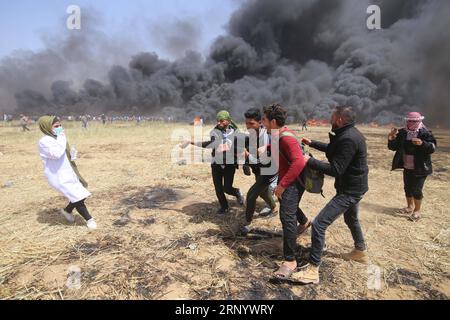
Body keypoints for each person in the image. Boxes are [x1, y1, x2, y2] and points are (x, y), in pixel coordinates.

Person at [293, 106, 369, 285]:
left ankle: (313, 270)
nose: (330, 119)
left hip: (350, 190)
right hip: (354, 187)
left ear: (340, 119)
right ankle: (360, 251)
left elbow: (336, 169)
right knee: (351, 220)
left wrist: (309, 161)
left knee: (319, 224)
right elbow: (334, 150)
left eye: (333, 116)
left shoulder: (349, 138)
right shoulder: (347, 133)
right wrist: (312, 143)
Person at [261, 104, 311, 280]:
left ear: (273, 121)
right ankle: (304, 222)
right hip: (289, 180)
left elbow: (298, 162)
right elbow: (279, 150)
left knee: (286, 217)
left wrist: (282, 185)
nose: (262, 123)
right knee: (288, 206)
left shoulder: (285, 138)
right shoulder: (279, 134)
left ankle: (290, 261)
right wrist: (265, 149)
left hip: (293, 182)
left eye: (264, 120)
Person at [37, 116, 97, 230]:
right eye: (56, 126)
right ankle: (90, 220)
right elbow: (56, 153)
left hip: (69, 172)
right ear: (46, 127)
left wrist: (71, 154)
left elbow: (64, 154)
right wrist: (61, 136)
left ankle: (67, 210)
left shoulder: (56, 138)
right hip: (58, 176)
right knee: (78, 197)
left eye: (60, 126)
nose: (59, 128)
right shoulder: (44, 141)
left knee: (80, 194)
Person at [181, 110, 245, 214]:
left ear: (228, 121)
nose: (219, 123)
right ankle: (224, 207)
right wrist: (190, 142)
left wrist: (245, 163)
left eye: (222, 121)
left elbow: (242, 147)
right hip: (216, 164)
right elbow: (210, 144)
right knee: (218, 188)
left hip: (230, 164)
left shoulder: (236, 132)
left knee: (227, 188)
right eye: (217, 121)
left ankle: (237, 192)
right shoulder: (214, 132)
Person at [388, 112, 436, 221]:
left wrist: (422, 143)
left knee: (416, 190)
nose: (411, 123)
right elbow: (393, 147)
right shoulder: (403, 132)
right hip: (407, 166)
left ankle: (417, 211)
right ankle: (409, 207)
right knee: (407, 188)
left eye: (414, 121)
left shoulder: (425, 133)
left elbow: (432, 148)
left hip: (420, 167)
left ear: (419, 121)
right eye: (409, 120)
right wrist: (391, 138)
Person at [240, 108, 278, 234]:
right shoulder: (251, 135)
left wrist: (247, 156)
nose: (248, 126)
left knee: (251, 195)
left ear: (259, 123)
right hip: (259, 169)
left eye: (251, 123)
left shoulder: (265, 136)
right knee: (263, 193)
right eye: (246, 123)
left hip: (268, 170)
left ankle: (247, 222)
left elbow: (262, 159)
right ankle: (273, 208)